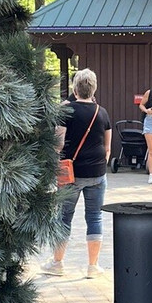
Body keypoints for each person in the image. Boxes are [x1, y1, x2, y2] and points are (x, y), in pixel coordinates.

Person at [41, 68, 112, 279]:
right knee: (95, 217)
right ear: (94, 88)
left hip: (70, 174)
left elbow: (58, 143)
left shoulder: (67, 111)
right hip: (97, 172)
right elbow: (108, 147)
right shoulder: (102, 112)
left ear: (75, 88)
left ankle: (57, 263)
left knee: (64, 217)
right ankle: (93, 267)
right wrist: (100, 166)